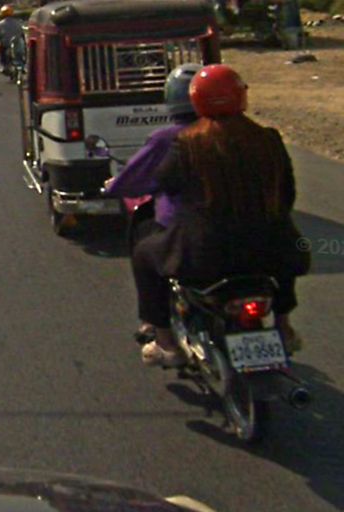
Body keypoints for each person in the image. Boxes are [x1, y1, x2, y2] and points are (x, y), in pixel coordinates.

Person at [131, 64, 310, 368]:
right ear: (242, 96)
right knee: (282, 244)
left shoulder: (187, 144)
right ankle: (284, 326)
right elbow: (287, 196)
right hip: (273, 252)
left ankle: (165, 342)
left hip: (205, 257)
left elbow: (164, 182)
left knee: (143, 254)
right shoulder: (268, 139)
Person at [104, 63, 201, 342]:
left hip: (191, 233)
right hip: (251, 231)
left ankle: (162, 336)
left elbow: (142, 177)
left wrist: (115, 185)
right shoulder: (247, 135)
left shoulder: (169, 139)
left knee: (144, 254)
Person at [0, 4, 23, 74]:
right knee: (20, 54)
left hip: (6, 44)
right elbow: (21, 32)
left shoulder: (1, 23)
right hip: (16, 43)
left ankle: (4, 66)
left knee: (1, 51)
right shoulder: (17, 22)